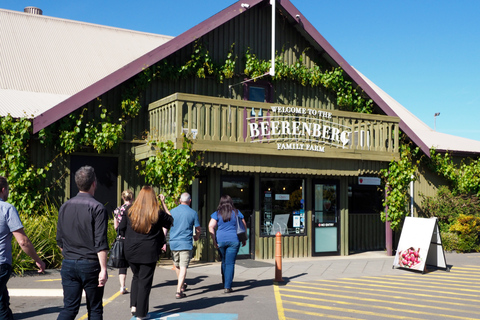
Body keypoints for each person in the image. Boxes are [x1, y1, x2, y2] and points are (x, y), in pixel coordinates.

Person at [56, 166, 109, 320]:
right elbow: (100, 242)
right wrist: (104, 269)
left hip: (69, 263)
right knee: (95, 309)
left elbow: (60, 240)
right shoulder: (98, 208)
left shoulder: (64, 206)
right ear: (94, 183)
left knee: (70, 308)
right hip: (90, 264)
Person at [118, 186, 173, 320]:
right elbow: (170, 221)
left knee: (136, 277)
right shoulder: (157, 212)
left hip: (130, 250)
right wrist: (163, 204)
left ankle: (134, 306)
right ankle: (142, 313)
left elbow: (121, 229)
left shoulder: (130, 211)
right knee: (145, 281)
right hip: (148, 251)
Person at [0, 176, 46, 319]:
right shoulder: (7, 209)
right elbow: (23, 241)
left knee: (2, 302)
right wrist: (38, 259)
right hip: (1, 264)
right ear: (3, 190)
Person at [208, 195, 246, 293]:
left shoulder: (217, 213)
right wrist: (244, 238)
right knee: (230, 263)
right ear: (231, 202)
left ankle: (225, 282)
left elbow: (210, 226)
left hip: (220, 240)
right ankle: (227, 286)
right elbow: (243, 225)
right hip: (234, 240)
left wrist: (214, 240)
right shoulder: (237, 212)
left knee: (224, 261)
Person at [169, 192, 201, 299]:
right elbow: (198, 228)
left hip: (174, 242)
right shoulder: (193, 213)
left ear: (179, 200)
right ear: (190, 201)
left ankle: (181, 285)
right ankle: (179, 290)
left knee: (177, 265)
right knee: (183, 266)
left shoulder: (172, 212)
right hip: (185, 243)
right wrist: (197, 236)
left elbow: (167, 225)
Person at [113, 189, 134, 294]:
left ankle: (122, 286)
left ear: (123, 198)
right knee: (135, 262)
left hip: (121, 238)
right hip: (132, 238)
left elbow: (116, 226)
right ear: (132, 198)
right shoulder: (134, 209)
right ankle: (137, 283)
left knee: (123, 265)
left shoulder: (117, 210)